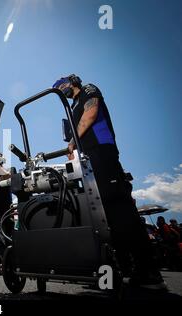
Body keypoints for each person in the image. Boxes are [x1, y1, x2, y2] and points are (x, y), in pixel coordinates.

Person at [53, 74, 166, 290]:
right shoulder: (74, 105)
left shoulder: (88, 90)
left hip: (103, 153)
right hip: (89, 158)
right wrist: (74, 146)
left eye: (61, 87)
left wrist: (73, 141)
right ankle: (119, 270)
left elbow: (92, 112)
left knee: (120, 209)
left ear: (72, 82)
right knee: (103, 214)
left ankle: (149, 271)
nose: (61, 92)